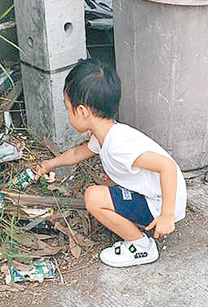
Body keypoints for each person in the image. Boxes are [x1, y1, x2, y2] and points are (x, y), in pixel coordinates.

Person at [34, 58, 187, 267]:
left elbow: (167, 166)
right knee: (102, 193)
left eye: (67, 108)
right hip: (156, 194)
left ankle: (141, 246)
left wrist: (167, 215)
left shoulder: (118, 146)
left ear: (82, 111)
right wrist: (49, 164)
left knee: (94, 198)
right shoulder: (105, 133)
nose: (67, 113)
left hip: (162, 203)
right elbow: (78, 153)